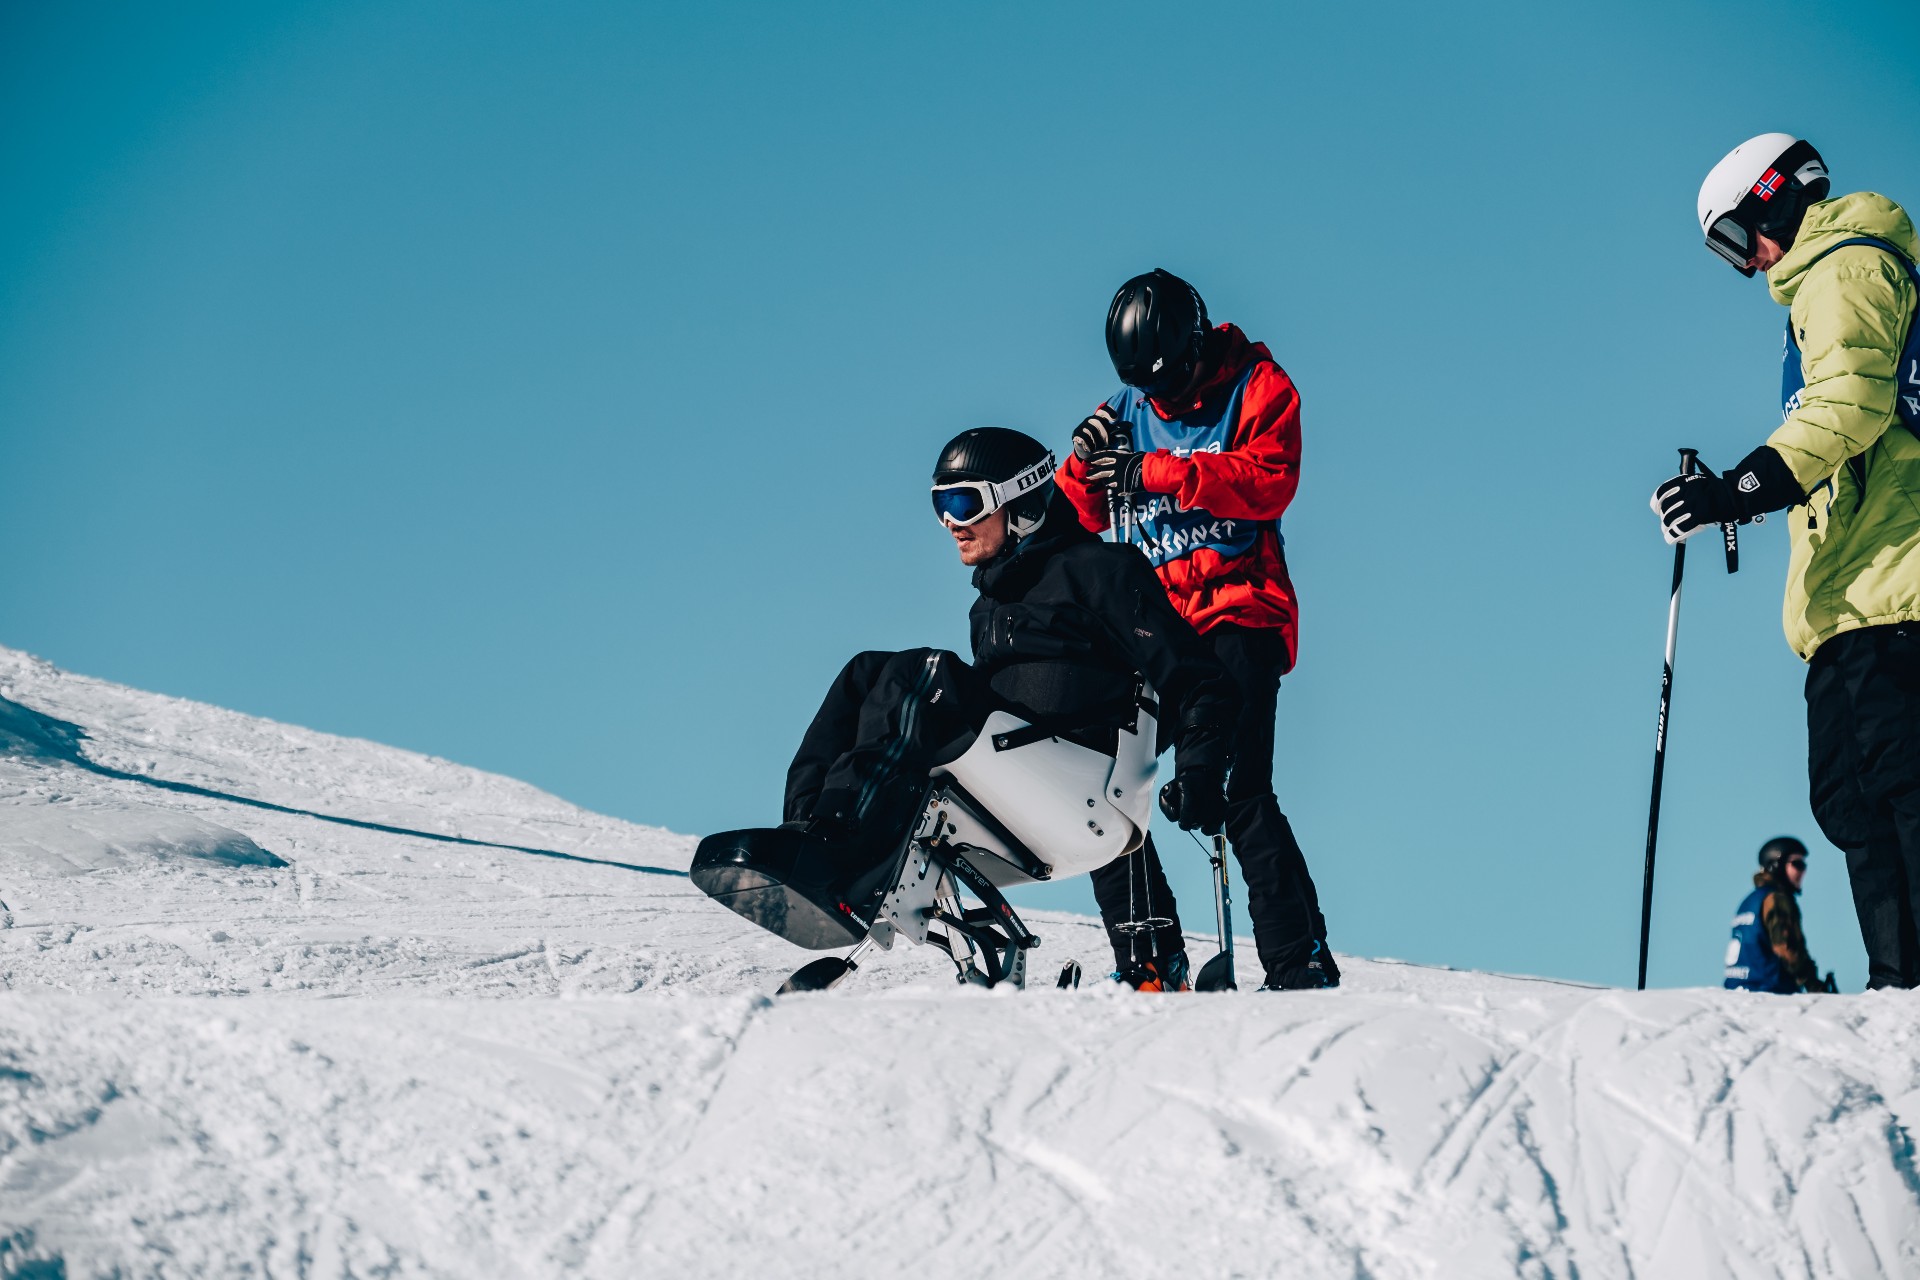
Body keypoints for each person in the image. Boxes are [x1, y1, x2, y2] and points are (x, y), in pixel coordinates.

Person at [762, 427, 1237, 974]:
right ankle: (804, 834)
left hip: (1081, 781)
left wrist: (1200, 770)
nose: (951, 524)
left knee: (923, 673)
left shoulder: (1103, 570)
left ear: (1023, 503)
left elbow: (1201, 681)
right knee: (865, 672)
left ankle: (839, 839)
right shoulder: (991, 603)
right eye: (940, 505)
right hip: (1009, 777)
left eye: (964, 502)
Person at [1652, 134, 1920, 990]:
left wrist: (1743, 486)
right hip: (1845, 599)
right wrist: (1744, 492)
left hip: (1894, 583)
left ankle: (1907, 978)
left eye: (1737, 239)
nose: (1745, 263)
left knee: (1896, 783)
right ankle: (1898, 980)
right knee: (1850, 797)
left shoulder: (1848, 268)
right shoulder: (1811, 296)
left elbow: (1851, 401)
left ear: (1773, 199)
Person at [1055, 268, 1336, 991]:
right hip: (1158, 633)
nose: (1165, 401)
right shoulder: (1127, 406)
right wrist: (1084, 466)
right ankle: (1151, 958)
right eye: (1151, 391)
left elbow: (1271, 478)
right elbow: (1070, 519)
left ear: (1197, 344)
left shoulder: (1260, 386)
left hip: (1241, 614)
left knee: (1237, 791)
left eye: (1174, 383)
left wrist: (1159, 472)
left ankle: (1297, 960)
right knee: (1104, 791)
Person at [1724, 836, 1837, 994]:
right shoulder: (1776, 899)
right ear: (1776, 864)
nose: (1803, 871)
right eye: (1798, 864)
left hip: (1736, 993)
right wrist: (1813, 983)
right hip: (1770, 994)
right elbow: (1787, 947)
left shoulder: (1749, 901)